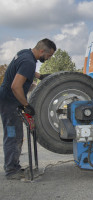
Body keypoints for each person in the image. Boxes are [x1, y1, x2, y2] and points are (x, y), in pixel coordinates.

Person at [0, 38, 56, 180]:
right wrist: (26, 105)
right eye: (49, 56)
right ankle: (12, 170)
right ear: (42, 51)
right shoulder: (29, 62)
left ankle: (12, 166)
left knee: (14, 135)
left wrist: (40, 76)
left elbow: (24, 71)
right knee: (14, 136)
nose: (48, 59)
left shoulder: (25, 53)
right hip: (10, 103)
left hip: (8, 100)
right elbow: (15, 86)